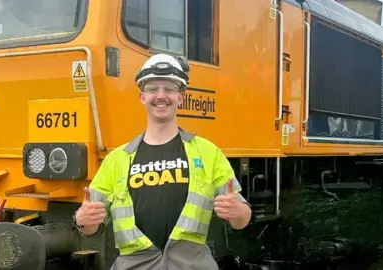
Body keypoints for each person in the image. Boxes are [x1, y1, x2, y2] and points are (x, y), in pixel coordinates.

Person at [73, 53, 252, 270]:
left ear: (180, 97)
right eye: (152, 89)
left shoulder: (208, 153)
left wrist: (238, 212)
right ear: (142, 97)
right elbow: (89, 225)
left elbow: (241, 218)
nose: (161, 95)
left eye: (169, 89)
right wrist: (83, 219)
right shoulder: (116, 159)